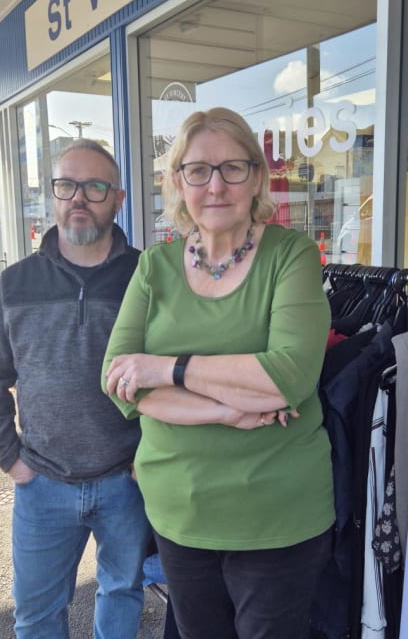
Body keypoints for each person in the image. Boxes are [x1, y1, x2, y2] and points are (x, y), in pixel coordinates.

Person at [103, 107, 334, 638]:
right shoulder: (154, 267)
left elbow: (289, 376)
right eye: (198, 170)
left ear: (256, 177)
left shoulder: (291, 254)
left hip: (277, 511)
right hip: (179, 510)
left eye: (233, 167)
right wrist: (227, 411)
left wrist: (166, 368)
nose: (215, 185)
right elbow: (117, 381)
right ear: (178, 181)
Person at [0, 139, 149, 639]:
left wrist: (149, 453)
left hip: (127, 482)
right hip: (42, 481)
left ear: (118, 197)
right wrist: (9, 456)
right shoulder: (16, 283)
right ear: (52, 195)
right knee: (37, 615)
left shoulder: (147, 278)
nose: (79, 198)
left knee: (122, 592)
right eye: (66, 185)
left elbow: (170, 369)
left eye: (94, 186)